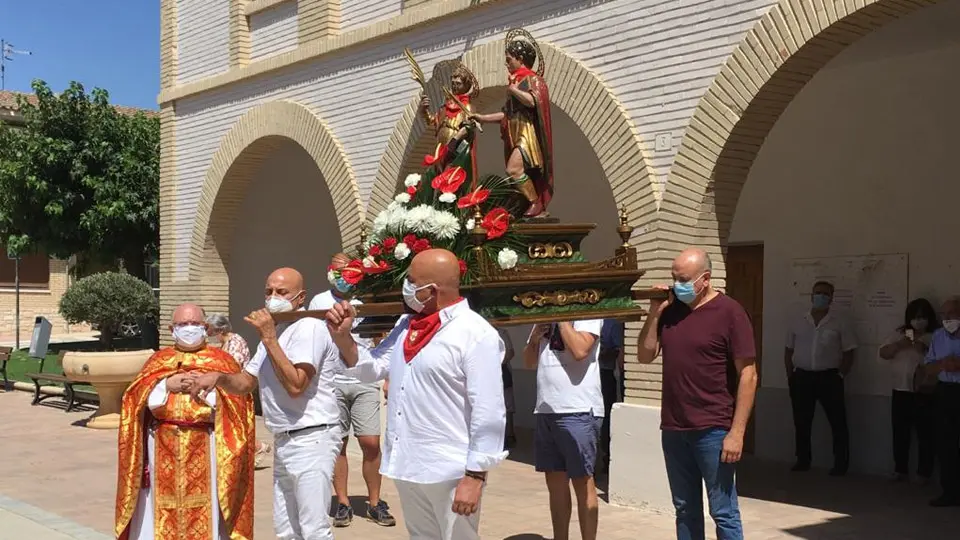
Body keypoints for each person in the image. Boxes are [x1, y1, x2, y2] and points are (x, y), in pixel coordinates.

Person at [325, 248, 507, 540]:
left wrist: (475, 476)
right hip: (408, 461)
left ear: (431, 290)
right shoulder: (407, 325)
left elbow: (489, 411)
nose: (405, 287)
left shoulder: (475, 334)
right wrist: (342, 337)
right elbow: (373, 367)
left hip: (450, 469)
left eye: (410, 280)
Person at [190, 267, 344, 539]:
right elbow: (247, 381)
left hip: (313, 436)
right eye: (268, 291)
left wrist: (269, 337)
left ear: (300, 297)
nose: (273, 297)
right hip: (285, 438)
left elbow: (296, 385)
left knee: (313, 528)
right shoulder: (275, 331)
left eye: (281, 292)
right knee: (286, 528)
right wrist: (219, 378)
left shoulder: (308, 327)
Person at [637, 248, 757, 540]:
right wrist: (655, 312)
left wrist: (737, 432)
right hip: (675, 428)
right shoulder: (671, 312)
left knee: (723, 511)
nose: (677, 284)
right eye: (674, 278)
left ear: (705, 278)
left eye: (684, 279)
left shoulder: (730, 312)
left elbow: (749, 375)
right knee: (685, 509)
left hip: (714, 429)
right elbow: (644, 354)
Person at [115, 303, 255, 540]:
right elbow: (132, 398)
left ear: (206, 327)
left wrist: (210, 387)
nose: (189, 328)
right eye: (182, 324)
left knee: (208, 509)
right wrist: (164, 385)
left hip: (207, 445)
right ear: (172, 328)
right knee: (158, 511)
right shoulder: (158, 360)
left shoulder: (222, 361)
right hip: (162, 443)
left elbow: (241, 403)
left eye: (195, 324)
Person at [309, 253, 395, 527]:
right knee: (339, 445)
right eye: (337, 271)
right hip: (331, 381)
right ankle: (343, 503)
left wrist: (388, 376)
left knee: (370, 443)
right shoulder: (319, 301)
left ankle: (374, 502)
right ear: (328, 272)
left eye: (348, 271)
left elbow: (382, 336)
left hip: (364, 378)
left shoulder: (366, 300)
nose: (342, 276)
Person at [523, 318, 603, 540]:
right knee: (555, 484)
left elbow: (580, 350)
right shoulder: (543, 316)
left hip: (578, 409)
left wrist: (562, 320)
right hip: (546, 409)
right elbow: (529, 361)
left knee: (582, 480)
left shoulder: (589, 314)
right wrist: (535, 338)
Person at [471, 28, 553, 219]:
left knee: (513, 169)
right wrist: (482, 118)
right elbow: (506, 114)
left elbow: (534, 102)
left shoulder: (532, 79)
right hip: (515, 131)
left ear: (521, 59)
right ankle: (528, 203)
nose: (506, 63)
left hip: (527, 132)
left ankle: (535, 202)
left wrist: (514, 90)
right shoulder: (515, 82)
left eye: (509, 59)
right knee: (514, 170)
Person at [785, 281, 857, 476]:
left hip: (829, 378)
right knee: (801, 421)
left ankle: (841, 464)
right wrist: (790, 376)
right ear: (811, 295)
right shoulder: (798, 320)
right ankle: (803, 460)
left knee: (838, 422)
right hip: (802, 377)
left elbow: (850, 352)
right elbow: (788, 349)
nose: (821, 297)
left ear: (831, 298)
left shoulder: (840, 322)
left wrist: (841, 374)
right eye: (818, 293)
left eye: (825, 294)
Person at [878, 298, 939, 483]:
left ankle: (924, 473)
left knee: (925, 434)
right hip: (900, 389)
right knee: (900, 432)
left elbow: (942, 361)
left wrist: (925, 349)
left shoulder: (936, 336)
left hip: (925, 392)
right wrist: (899, 345)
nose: (918, 320)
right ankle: (900, 469)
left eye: (922, 317)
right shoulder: (900, 334)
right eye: (915, 317)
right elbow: (883, 353)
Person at [206, 312, 273, 469]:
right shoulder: (224, 343)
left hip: (237, 390)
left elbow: (232, 366)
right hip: (226, 391)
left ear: (219, 330)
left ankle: (257, 447)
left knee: (237, 426)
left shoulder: (235, 341)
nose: (208, 334)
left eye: (209, 330)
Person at [923, 296, 960, 507]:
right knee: (946, 443)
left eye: (952, 314)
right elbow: (928, 366)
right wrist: (942, 365)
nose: (947, 319)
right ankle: (950, 492)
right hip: (946, 391)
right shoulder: (938, 336)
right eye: (943, 315)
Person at [420, 60, 480, 179]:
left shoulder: (467, 107)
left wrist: (454, 141)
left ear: (466, 86)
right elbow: (433, 121)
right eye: (453, 84)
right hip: (440, 146)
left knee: (451, 175)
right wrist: (425, 110)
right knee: (438, 177)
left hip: (455, 147)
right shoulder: (444, 107)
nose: (455, 87)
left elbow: (468, 127)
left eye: (458, 84)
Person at [598, 318, 625, 475]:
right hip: (592, 374)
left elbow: (618, 349)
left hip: (607, 372)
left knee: (607, 414)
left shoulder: (612, 322)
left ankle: (608, 457)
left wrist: (601, 352)